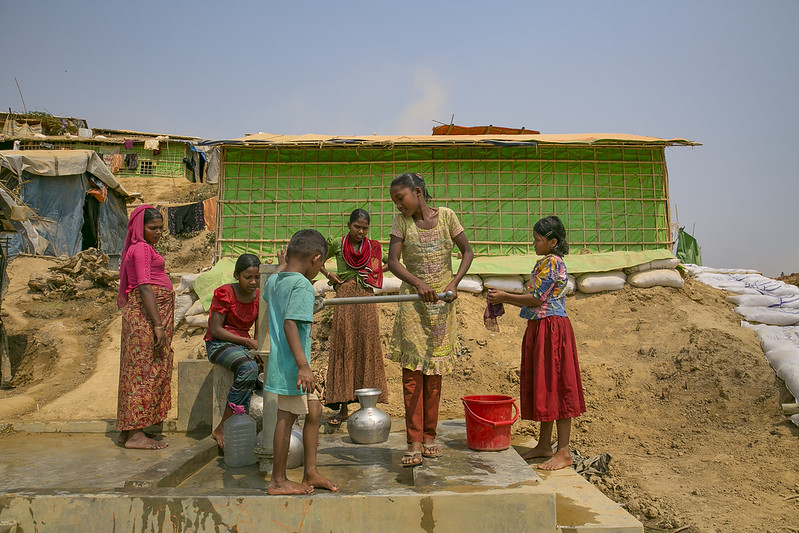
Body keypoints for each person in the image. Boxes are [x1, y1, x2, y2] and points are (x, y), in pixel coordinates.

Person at [387, 172, 474, 467]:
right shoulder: (402, 223)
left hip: (442, 305)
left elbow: (467, 252)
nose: (398, 205)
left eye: (401, 199)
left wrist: (454, 283)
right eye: (395, 201)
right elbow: (393, 262)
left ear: (418, 192)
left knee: (433, 374)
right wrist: (418, 284)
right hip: (413, 305)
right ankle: (413, 439)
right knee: (412, 374)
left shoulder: (448, 217)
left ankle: (429, 435)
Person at [487, 215, 586, 470]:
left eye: (538, 239)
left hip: (552, 328)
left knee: (560, 387)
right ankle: (544, 444)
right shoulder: (544, 263)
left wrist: (505, 297)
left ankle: (563, 451)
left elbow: (536, 298)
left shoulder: (551, 263)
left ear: (552, 242)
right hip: (543, 327)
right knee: (548, 385)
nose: (533, 243)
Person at [264, 229, 339, 495]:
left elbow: (271, 290)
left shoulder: (276, 281)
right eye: (321, 264)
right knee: (286, 418)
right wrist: (304, 367)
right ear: (316, 258)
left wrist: (282, 265)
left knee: (314, 411)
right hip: (292, 367)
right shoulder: (302, 285)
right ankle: (278, 481)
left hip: (289, 363)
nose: (320, 269)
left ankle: (310, 472)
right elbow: (290, 324)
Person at [319, 208, 388, 426]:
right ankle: (343, 408)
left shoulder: (373, 246)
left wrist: (376, 272)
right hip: (344, 298)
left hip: (366, 298)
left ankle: (367, 409)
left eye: (365, 228)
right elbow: (317, 258)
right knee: (345, 346)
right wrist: (328, 274)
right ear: (349, 225)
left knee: (366, 346)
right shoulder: (338, 244)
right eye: (357, 227)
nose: (361, 231)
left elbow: (391, 261)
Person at [116, 204, 175, 450]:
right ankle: (136, 435)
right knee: (142, 372)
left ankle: (129, 431)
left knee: (142, 369)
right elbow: (144, 286)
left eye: (161, 228)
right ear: (140, 228)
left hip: (147, 318)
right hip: (146, 319)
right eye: (153, 228)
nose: (158, 232)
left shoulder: (144, 248)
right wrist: (158, 326)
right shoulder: (141, 248)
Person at [204, 253, 262, 450]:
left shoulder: (258, 298)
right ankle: (222, 427)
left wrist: (258, 349)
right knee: (248, 368)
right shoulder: (225, 293)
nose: (253, 282)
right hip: (219, 344)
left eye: (257, 277)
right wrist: (247, 342)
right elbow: (215, 329)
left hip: (242, 345)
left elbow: (258, 330)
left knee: (265, 368)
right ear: (236, 275)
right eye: (248, 277)